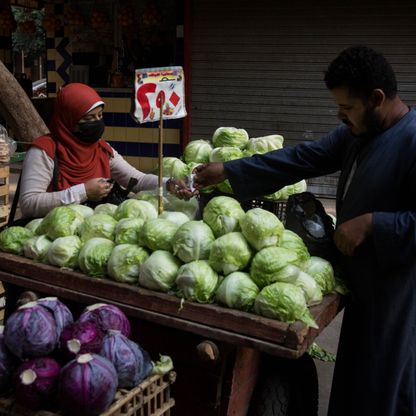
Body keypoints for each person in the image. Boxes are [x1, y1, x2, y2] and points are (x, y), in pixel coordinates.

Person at [193, 46, 416, 416]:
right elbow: (301, 158)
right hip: (363, 284)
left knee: (385, 386)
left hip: (395, 293)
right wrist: (228, 171)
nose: (340, 116)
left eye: (347, 108)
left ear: (376, 99)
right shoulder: (357, 135)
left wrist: (375, 223)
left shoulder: (411, 142)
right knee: (356, 378)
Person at [18, 82, 190, 219]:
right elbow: (29, 203)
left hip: (92, 230)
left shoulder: (101, 149)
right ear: (68, 120)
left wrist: (168, 183)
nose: (97, 122)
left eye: (100, 116)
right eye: (89, 118)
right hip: (51, 235)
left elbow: (138, 179)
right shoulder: (44, 151)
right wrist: (83, 192)